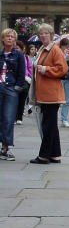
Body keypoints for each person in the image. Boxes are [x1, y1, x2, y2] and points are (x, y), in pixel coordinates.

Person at [29, 23, 68, 164]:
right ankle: (55, 155)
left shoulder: (54, 50)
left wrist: (45, 70)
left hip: (51, 94)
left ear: (51, 35)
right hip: (44, 93)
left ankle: (44, 156)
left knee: (48, 125)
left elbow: (62, 69)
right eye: (41, 33)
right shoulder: (43, 49)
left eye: (46, 33)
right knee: (50, 125)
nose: (43, 35)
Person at [0, 29, 25, 161]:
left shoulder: (18, 55)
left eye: (12, 37)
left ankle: (5, 147)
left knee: (8, 118)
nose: (9, 38)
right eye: (7, 36)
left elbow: (22, 72)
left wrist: (17, 87)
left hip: (11, 88)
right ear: (3, 39)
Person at [15, 40, 33, 125]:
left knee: (22, 100)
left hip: (25, 81)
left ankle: (19, 117)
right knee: (15, 99)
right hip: (15, 81)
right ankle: (14, 116)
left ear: (22, 49)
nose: (16, 49)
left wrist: (29, 78)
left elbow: (30, 68)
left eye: (17, 48)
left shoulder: (25, 57)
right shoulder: (13, 57)